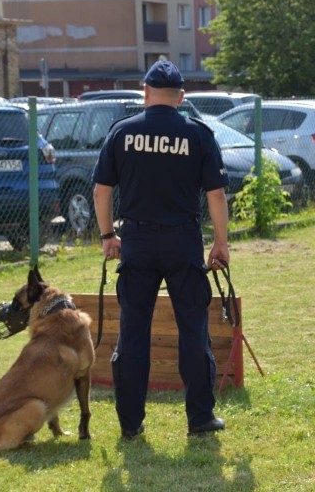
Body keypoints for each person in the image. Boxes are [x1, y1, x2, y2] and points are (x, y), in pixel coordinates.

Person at [92, 59, 230, 438]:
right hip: (183, 242)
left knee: (133, 334)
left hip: (136, 242)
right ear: (182, 97)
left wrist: (107, 236)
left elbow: (102, 190)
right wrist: (221, 242)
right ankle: (200, 417)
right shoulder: (198, 134)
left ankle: (130, 422)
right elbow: (216, 195)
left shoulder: (122, 132)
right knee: (193, 331)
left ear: (145, 93)